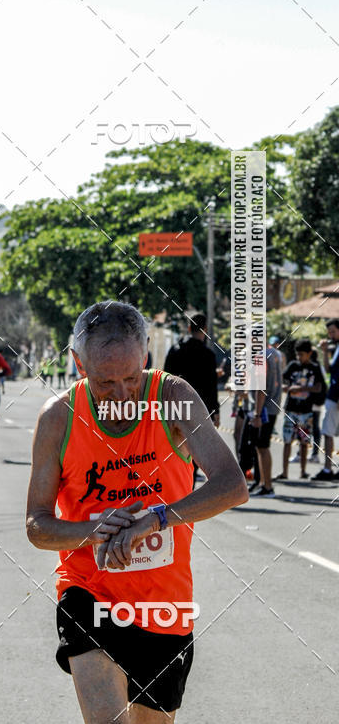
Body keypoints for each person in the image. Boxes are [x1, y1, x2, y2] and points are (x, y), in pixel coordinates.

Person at [26, 302, 247, 724]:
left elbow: (232, 485)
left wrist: (157, 518)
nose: (123, 394)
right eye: (106, 382)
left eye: (132, 377)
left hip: (165, 607)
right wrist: (93, 531)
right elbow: (37, 526)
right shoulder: (58, 418)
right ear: (78, 364)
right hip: (89, 594)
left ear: (146, 355)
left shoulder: (173, 398)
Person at [164, 312, 220, 485]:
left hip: (175, 408)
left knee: (174, 449)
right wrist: (215, 411)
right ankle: (188, 490)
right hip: (199, 409)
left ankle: (174, 488)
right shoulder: (208, 355)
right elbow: (211, 387)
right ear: (205, 330)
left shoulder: (175, 350)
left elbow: (165, 379)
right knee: (195, 451)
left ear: (189, 328)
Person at [275, 339, 324, 483]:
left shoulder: (315, 368)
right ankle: (284, 472)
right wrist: (286, 388)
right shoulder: (293, 366)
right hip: (291, 409)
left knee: (304, 442)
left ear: (309, 354)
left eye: (302, 354)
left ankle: (303, 471)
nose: (299, 358)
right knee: (287, 440)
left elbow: (318, 387)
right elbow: (282, 380)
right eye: (297, 355)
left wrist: (301, 389)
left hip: (306, 410)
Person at [247, 339, 284, 496]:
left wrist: (256, 414)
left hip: (265, 409)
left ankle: (267, 485)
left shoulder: (261, 356)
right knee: (261, 447)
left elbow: (261, 388)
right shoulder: (275, 353)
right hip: (273, 405)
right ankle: (263, 483)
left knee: (262, 447)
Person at [313, 319, 339, 481]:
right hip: (333, 395)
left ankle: (328, 469)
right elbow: (329, 369)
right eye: (329, 332)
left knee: (328, 432)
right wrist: (324, 351)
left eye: (333, 332)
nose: (330, 335)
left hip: (336, 396)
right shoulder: (336, 347)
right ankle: (328, 468)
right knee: (327, 432)